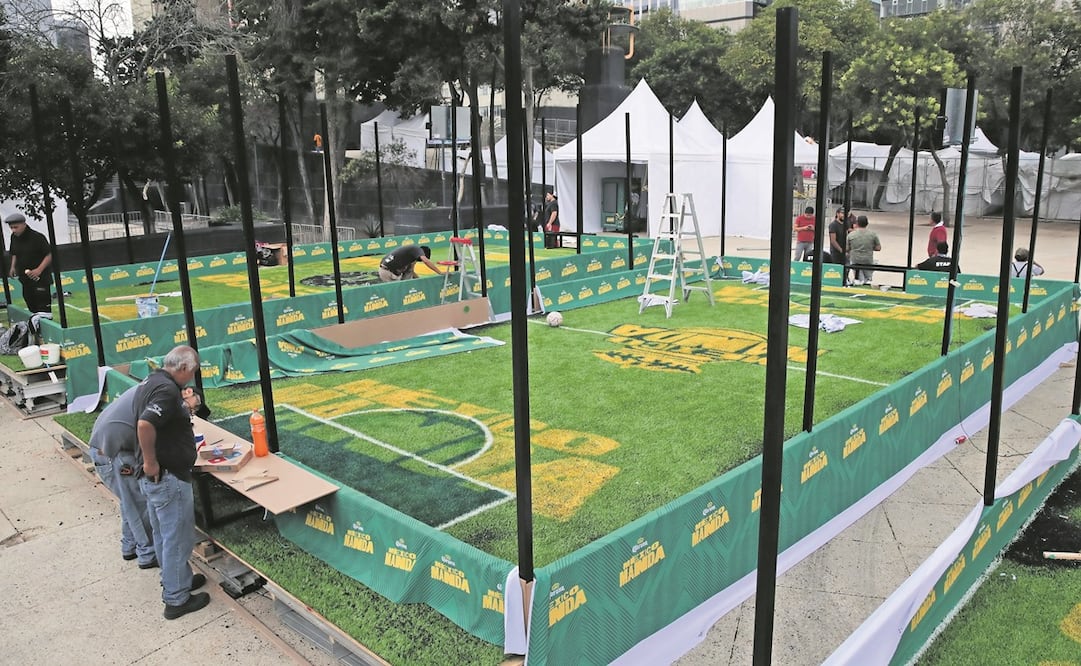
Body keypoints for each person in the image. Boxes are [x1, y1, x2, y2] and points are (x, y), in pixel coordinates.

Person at [136, 345, 209, 620]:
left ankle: (177, 580)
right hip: (168, 477)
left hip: (159, 477)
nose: (191, 378)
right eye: (192, 372)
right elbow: (145, 424)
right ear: (184, 367)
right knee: (177, 538)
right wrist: (151, 462)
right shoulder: (166, 390)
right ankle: (176, 599)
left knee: (163, 534)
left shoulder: (153, 380)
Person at [6, 212, 53, 319]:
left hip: (40, 278)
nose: (13, 230)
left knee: (43, 310)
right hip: (25, 279)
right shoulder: (14, 237)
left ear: (24, 224)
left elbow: (49, 255)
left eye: (16, 227)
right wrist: (13, 267)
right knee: (31, 306)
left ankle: (45, 325)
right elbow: (14, 253)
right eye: (11, 227)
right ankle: (35, 328)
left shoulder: (37, 237)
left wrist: (39, 270)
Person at [846, 215, 881, 285]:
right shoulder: (873, 234)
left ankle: (858, 283)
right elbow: (878, 248)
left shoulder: (851, 235)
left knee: (858, 278)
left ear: (857, 223)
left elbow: (847, 248)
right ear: (867, 224)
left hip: (855, 259)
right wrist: (870, 247)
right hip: (867, 259)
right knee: (868, 278)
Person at [378, 245, 443, 282]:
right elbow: (426, 261)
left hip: (385, 270)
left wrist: (420, 281)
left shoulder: (409, 254)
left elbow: (411, 272)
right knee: (396, 293)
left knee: (409, 271)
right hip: (387, 272)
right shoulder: (418, 250)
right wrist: (440, 273)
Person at [827, 208, 848, 274]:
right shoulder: (833, 225)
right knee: (836, 271)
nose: (844, 215)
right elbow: (833, 241)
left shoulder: (846, 224)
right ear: (837, 214)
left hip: (845, 252)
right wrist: (841, 250)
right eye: (842, 213)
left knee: (846, 270)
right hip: (836, 253)